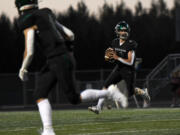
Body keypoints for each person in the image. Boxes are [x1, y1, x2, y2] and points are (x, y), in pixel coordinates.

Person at [15, 0, 126, 135]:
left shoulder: (26, 20)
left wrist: (23, 68)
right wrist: (67, 52)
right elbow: (70, 34)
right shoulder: (46, 13)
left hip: (57, 59)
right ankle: (48, 131)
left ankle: (109, 93)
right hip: (59, 58)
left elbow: (30, 50)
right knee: (40, 93)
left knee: (74, 98)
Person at [88, 21, 150, 114]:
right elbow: (113, 56)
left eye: (125, 30)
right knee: (106, 85)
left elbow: (130, 62)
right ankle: (98, 107)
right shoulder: (115, 42)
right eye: (122, 30)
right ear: (117, 32)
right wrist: (109, 58)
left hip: (128, 70)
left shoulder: (131, 44)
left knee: (130, 93)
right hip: (119, 68)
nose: (124, 32)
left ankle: (143, 92)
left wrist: (117, 58)